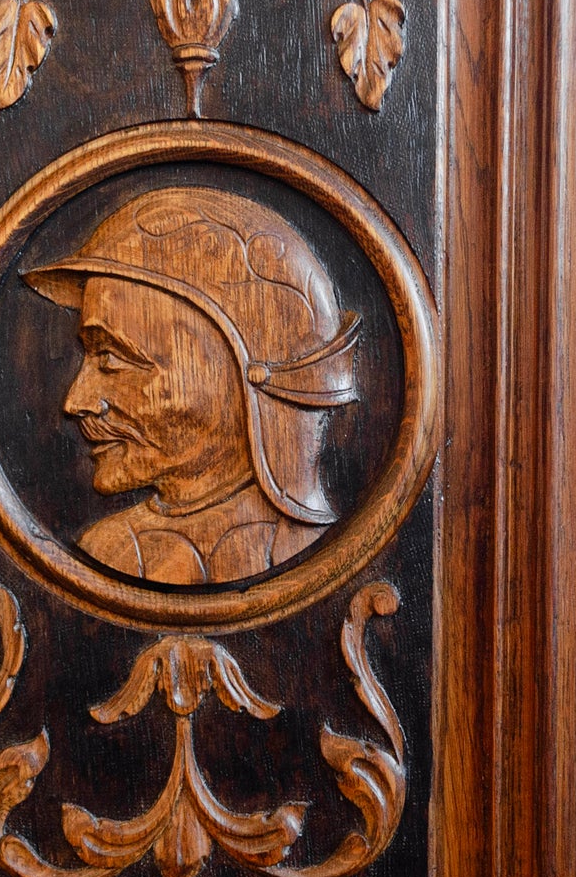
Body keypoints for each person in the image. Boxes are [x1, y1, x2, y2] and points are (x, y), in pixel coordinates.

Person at [24, 185, 360, 585]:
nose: (75, 401)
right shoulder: (109, 551)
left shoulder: (307, 550)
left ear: (234, 372)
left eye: (112, 359)